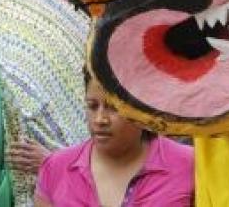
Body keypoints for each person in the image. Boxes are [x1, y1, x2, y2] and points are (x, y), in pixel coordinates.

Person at [34, 69, 194, 207]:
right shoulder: (56, 168)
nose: (100, 119)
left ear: (141, 107)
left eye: (113, 108)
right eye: (92, 106)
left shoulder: (190, 164)